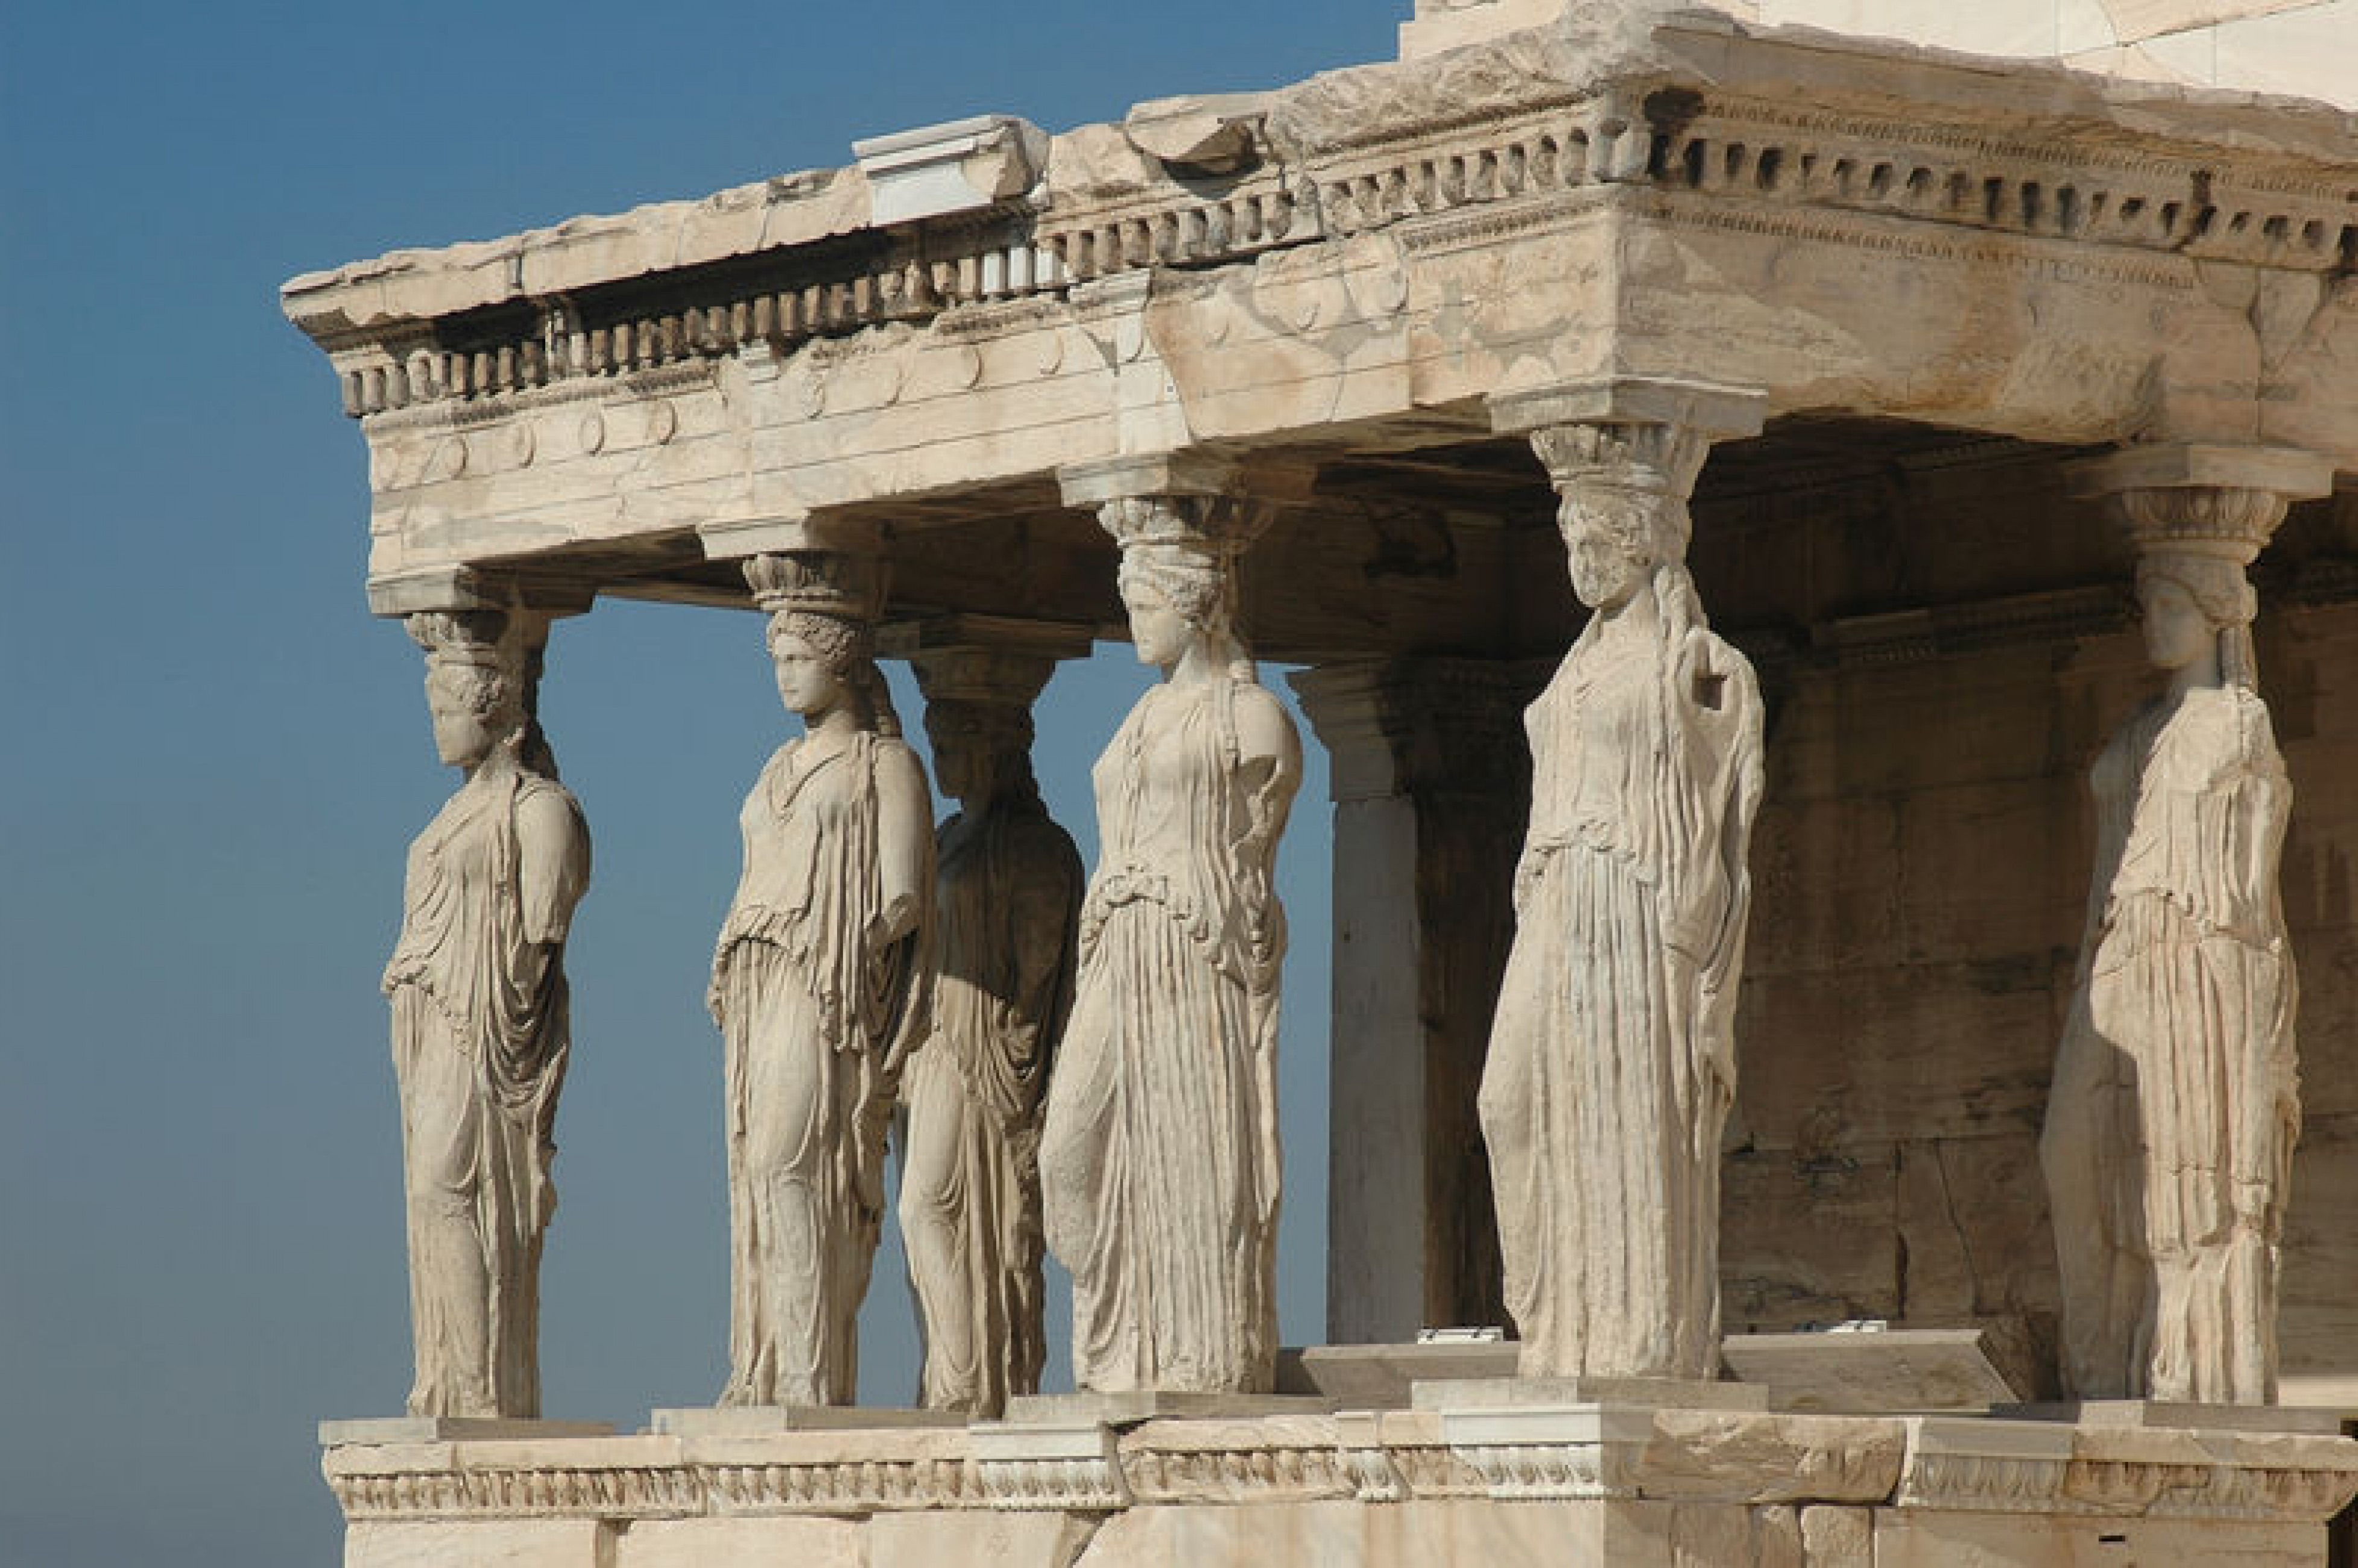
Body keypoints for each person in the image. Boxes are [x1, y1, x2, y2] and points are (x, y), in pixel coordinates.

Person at [1478, 456, 1763, 1380]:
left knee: (1631, 1112)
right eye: (1570, 543)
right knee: (1507, 1102)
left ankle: (1635, 1336)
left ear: (1643, 544)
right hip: (1558, 897)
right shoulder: (1575, 668)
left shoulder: (1694, 664)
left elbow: (1726, 814)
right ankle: (1555, 1319)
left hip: (1634, 906)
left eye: (1598, 542)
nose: (1582, 562)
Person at [1041, 536, 1300, 1393]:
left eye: (1146, 606)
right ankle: (1123, 1342)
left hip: (1196, 952)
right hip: (1118, 945)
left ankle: (1197, 1351)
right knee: (1067, 1156)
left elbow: (1256, 852)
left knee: (1194, 1155)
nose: (1134, 623)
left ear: (1195, 607)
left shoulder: (1252, 718)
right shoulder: (1136, 721)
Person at [2041, 551, 2298, 1403]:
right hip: (2119, 952)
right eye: (2147, 606)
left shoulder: (2236, 724)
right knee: (2070, 1151)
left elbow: (2248, 892)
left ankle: (2192, 1370)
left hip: (2199, 960)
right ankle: (2103, 1357)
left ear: (2218, 617)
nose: (2156, 624)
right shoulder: (2133, 731)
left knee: (2185, 1174)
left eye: (2173, 607)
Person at [712, 587, 932, 1407]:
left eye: (798, 660)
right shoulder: (776, 767)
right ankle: (763, 1369)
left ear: (841, 665)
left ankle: (810, 1377)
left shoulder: (887, 766)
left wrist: (848, 946)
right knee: (755, 1171)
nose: (784, 678)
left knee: (791, 1161)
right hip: (757, 978)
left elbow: (904, 895)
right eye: (777, 662)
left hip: (827, 980)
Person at [384, 610, 590, 1417]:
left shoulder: (542, 810)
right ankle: (453, 1381)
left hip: (489, 1029)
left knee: (454, 1190)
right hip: (433, 1024)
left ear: (494, 709)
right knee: (432, 1196)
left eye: (445, 710)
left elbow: (543, 931)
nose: (435, 728)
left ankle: (482, 1389)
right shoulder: (449, 817)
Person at [898, 687, 1083, 1415]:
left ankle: (968, 1379)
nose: (941, 761)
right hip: (933, 1042)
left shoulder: (1037, 845)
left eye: (952, 746)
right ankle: (947, 1371)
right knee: (921, 1217)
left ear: (996, 748)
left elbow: (1040, 965)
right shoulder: (946, 836)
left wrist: (1011, 1049)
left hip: (985, 1056)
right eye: (935, 745)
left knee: (928, 1207)